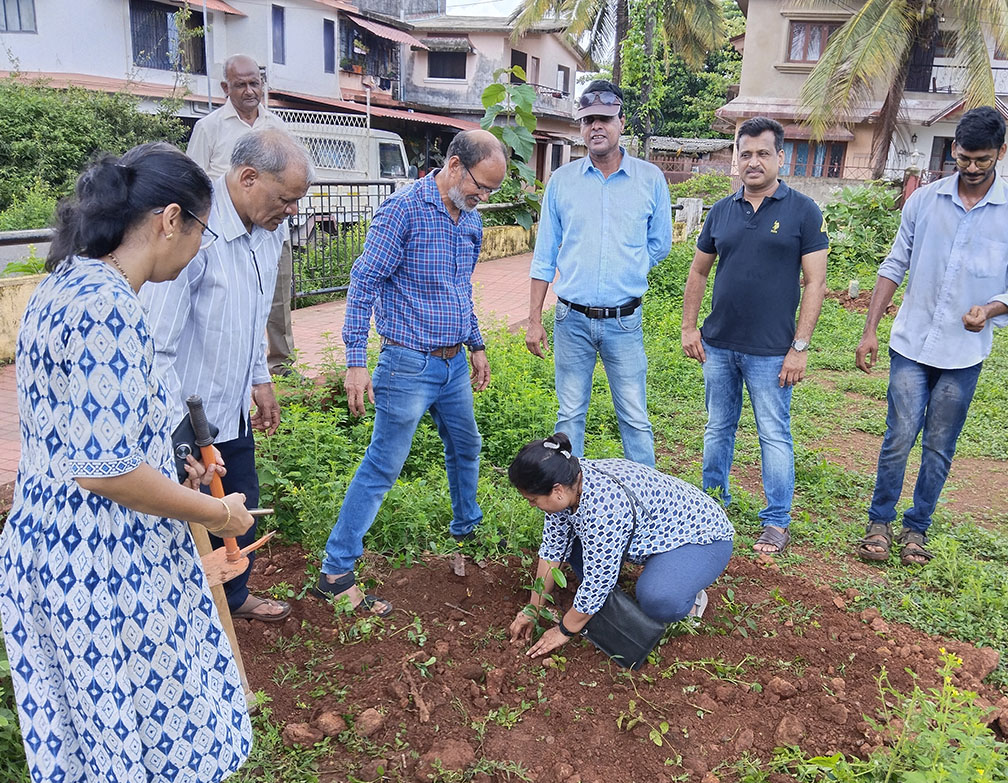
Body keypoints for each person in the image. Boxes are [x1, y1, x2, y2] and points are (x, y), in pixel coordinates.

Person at [0, 143, 255, 783]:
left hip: (65, 541)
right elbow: (103, 469)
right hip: (93, 556)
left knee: (146, 690)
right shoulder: (108, 308)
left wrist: (169, 468)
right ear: (170, 219)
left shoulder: (64, 286)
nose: (201, 247)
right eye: (202, 230)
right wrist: (217, 508)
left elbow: (96, 439)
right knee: (116, 709)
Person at [315, 130, 507, 613]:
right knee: (384, 464)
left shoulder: (469, 222)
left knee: (467, 445)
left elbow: (459, 290)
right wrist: (355, 360)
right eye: (480, 187)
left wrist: (476, 343)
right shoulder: (402, 211)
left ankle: (466, 531)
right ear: (456, 164)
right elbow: (363, 281)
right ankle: (336, 568)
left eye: (491, 193)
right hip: (406, 364)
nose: (483, 199)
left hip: (454, 364)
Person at [854, 106, 1008, 565]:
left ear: (1000, 152)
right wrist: (870, 330)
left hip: (964, 352)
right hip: (911, 343)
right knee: (898, 435)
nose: (973, 168)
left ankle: (916, 529)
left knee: (939, 445)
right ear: (953, 151)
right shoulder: (925, 200)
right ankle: (879, 522)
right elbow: (894, 264)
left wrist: (992, 309)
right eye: (964, 158)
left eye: (982, 159)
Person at [144, 128, 312, 622]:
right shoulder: (195, 233)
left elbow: (254, 312)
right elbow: (157, 346)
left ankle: (232, 600)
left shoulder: (269, 228)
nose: (292, 211)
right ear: (246, 177)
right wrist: (176, 436)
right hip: (186, 418)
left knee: (240, 501)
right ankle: (186, 613)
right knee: (186, 519)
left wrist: (260, 378)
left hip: (231, 409)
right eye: (286, 199)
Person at [681, 118, 828, 556]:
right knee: (717, 428)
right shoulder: (722, 211)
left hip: (771, 352)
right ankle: (712, 504)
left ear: (781, 158)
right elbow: (698, 270)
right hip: (720, 346)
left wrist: (799, 347)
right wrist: (690, 327)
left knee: (773, 434)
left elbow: (815, 283)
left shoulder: (803, 211)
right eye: (745, 153)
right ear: (735, 158)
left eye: (763, 153)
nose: (753, 161)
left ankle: (777, 522)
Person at [525, 80, 672, 467]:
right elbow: (544, 256)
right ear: (581, 126)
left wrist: (628, 268)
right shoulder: (562, 182)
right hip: (570, 320)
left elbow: (660, 244)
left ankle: (647, 503)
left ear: (621, 122)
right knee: (569, 417)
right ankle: (572, 505)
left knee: (635, 418)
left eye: (604, 119)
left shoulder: (650, 179)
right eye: (588, 119)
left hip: (625, 322)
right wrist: (534, 319)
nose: (596, 127)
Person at [507, 433, 734, 660]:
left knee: (659, 600)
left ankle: (690, 595)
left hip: (699, 537)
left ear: (556, 490)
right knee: (577, 549)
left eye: (533, 500)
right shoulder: (568, 482)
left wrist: (564, 630)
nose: (532, 505)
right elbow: (553, 550)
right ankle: (660, 574)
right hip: (655, 533)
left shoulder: (604, 508)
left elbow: (598, 583)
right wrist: (533, 609)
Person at [186, 54, 296, 377]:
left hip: (271, 231)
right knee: (228, 301)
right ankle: (231, 366)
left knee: (277, 298)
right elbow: (192, 181)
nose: (249, 91)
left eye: (254, 83)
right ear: (226, 87)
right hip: (223, 235)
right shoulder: (209, 128)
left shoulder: (277, 127)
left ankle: (281, 364)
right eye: (240, 84)